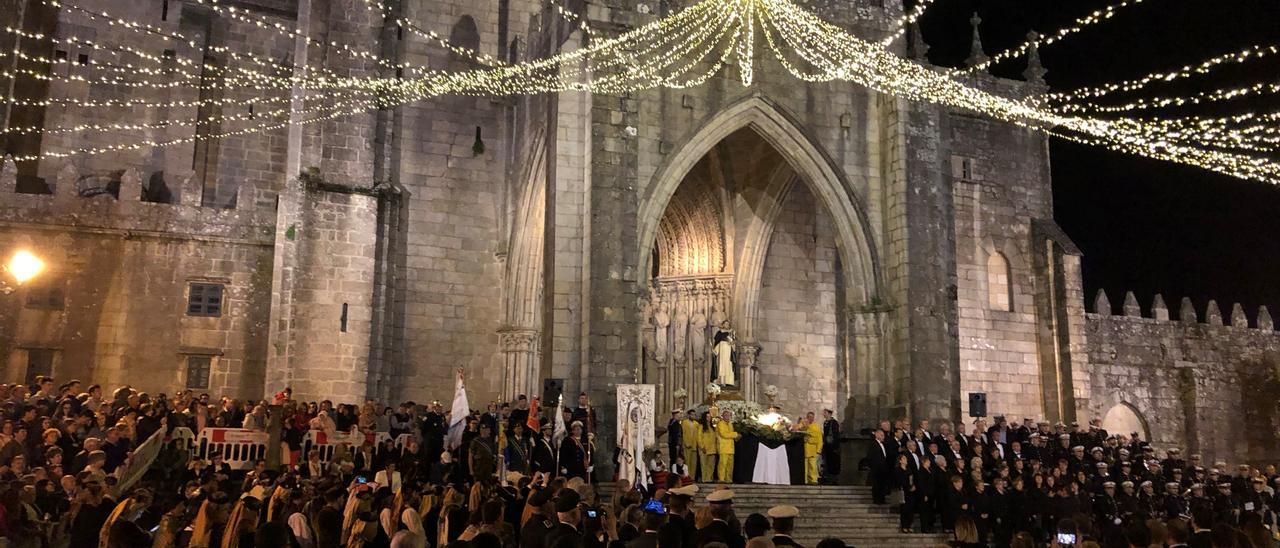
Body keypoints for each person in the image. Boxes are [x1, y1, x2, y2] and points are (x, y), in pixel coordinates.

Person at [714, 411, 740, 484]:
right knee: (723, 464)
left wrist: (736, 437)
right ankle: (721, 479)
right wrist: (736, 435)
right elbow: (723, 434)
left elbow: (730, 434)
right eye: (725, 415)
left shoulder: (730, 424)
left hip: (731, 448)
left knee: (730, 465)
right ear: (722, 416)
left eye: (729, 415)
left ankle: (728, 479)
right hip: (723, 447)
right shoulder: (720, 424)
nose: (727, 417)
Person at [866, 429, 890, 504]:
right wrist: (874, 466)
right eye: (882, 435)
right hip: (877, 469)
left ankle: (882, 499)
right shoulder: (873, 444)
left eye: (884, 435)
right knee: (877, 485)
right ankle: (877, 500)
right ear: (876, 435)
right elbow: (870, 456)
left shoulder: (882, 444)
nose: (883, 437)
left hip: (883, 469)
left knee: (882, 484)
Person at [801, 413, 822, 485]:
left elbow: (819, 439)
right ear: (807, 417)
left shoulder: (816, 427)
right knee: (804, 467)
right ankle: (805, 480)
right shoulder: (803, 426)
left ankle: (813, 480)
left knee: (813, 466)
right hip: (804, 450)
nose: (810, 418)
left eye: (812, 417)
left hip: (813, 450)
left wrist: (818, 450)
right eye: (809, 417)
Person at [698, 413, 718, 483]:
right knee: (704, 464)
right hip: (704, 449)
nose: (709, 418)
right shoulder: (701, 426)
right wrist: (702, 446)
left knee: (711, 465)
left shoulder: (713, 427)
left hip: (712, 449)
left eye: (710, 417)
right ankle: (705, 479)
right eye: (707, 417)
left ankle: (709, 478)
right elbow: (699, 438)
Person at [821, 409, 840, 482]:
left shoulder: (834, 423)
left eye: (825, 413)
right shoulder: (825, 422)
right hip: (827, 446)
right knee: (827, 461)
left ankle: (833, 477)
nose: (823, 414)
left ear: (829, 413)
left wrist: (835, 446)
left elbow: (836, 435)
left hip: (832, 446)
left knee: (833, 461)